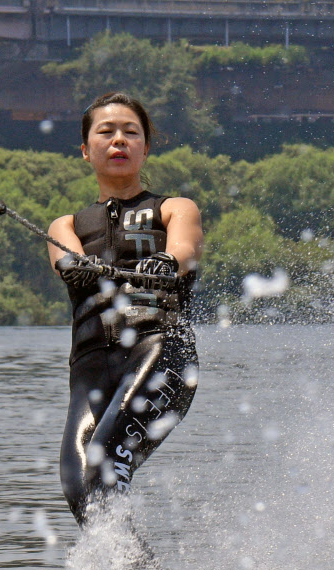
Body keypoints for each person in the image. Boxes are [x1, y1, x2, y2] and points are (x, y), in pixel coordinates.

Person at [48, 92, 203, 527]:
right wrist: (73, 267)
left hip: (160, 354)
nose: (119, 140)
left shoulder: (174, 208)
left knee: (104, 472)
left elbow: (186, 248)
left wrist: (169, 261)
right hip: (91, 369)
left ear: (146, 147)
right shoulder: (66, 226)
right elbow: (64, 260)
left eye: (131, 132)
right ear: (85, 150)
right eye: (106, 132)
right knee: (81, 487)